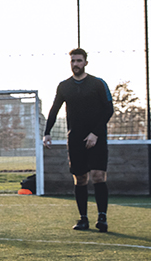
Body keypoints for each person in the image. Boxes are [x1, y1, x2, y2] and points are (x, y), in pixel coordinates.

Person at [43, 48, 115, 232]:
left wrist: (95, 133)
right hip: (74, 139)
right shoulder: (64, 86)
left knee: (99, 176)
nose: (75, 64)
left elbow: (108, 110)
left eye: (79, 61)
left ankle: (102, 218)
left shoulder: (98, 84)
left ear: (85, 63)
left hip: (96, 138)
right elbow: (54, 109)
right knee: (80, 178)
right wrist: (47, 132)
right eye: (73, 61)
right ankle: (83, 219)